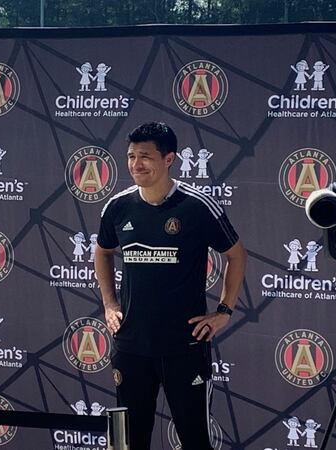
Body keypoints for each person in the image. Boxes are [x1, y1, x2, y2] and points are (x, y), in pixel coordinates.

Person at [94, 122, 246, 450]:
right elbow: (103, 252)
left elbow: (236, 255)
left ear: (169, 159)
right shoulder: (117, 207)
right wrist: (109, 304)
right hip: (132, 345)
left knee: (194, 441)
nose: (136, 164)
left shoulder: (196, 206)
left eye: (145, 156)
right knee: (129, 442)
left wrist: (224, 311)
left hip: (184, 347)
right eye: (131, 156)